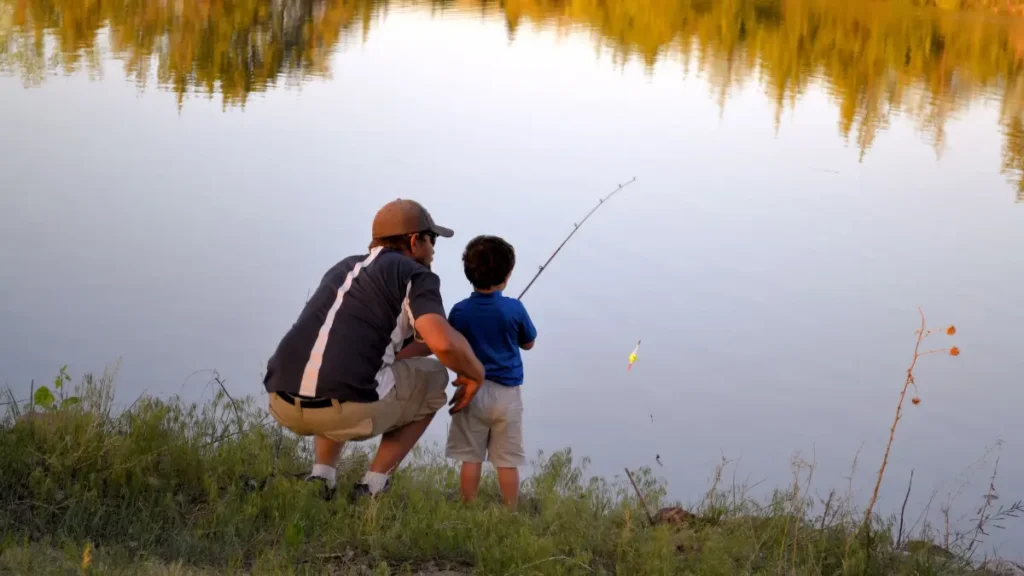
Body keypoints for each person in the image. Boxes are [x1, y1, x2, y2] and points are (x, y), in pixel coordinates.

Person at [263, 199, 485, 501]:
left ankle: (321, 477)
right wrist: (475, 373)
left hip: (282, 402)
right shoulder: (417, 275)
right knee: (435, 378)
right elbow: (442, 342)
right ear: (414, 241)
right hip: (345, 412)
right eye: (431, 240)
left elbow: (408, 344)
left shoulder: (343, 268)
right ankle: (373, 486)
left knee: (333, 363)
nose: (433, 248)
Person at [445, 235, 537, 510]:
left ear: (469, 274)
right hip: (507, 396)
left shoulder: (460, 311)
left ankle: (467, 505)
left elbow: (452, 345)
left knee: (470, 457)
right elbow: (529, 343)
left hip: (470, 392)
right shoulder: (514, 308)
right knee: (507, 460)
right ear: (507, 276)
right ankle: (510, 511)